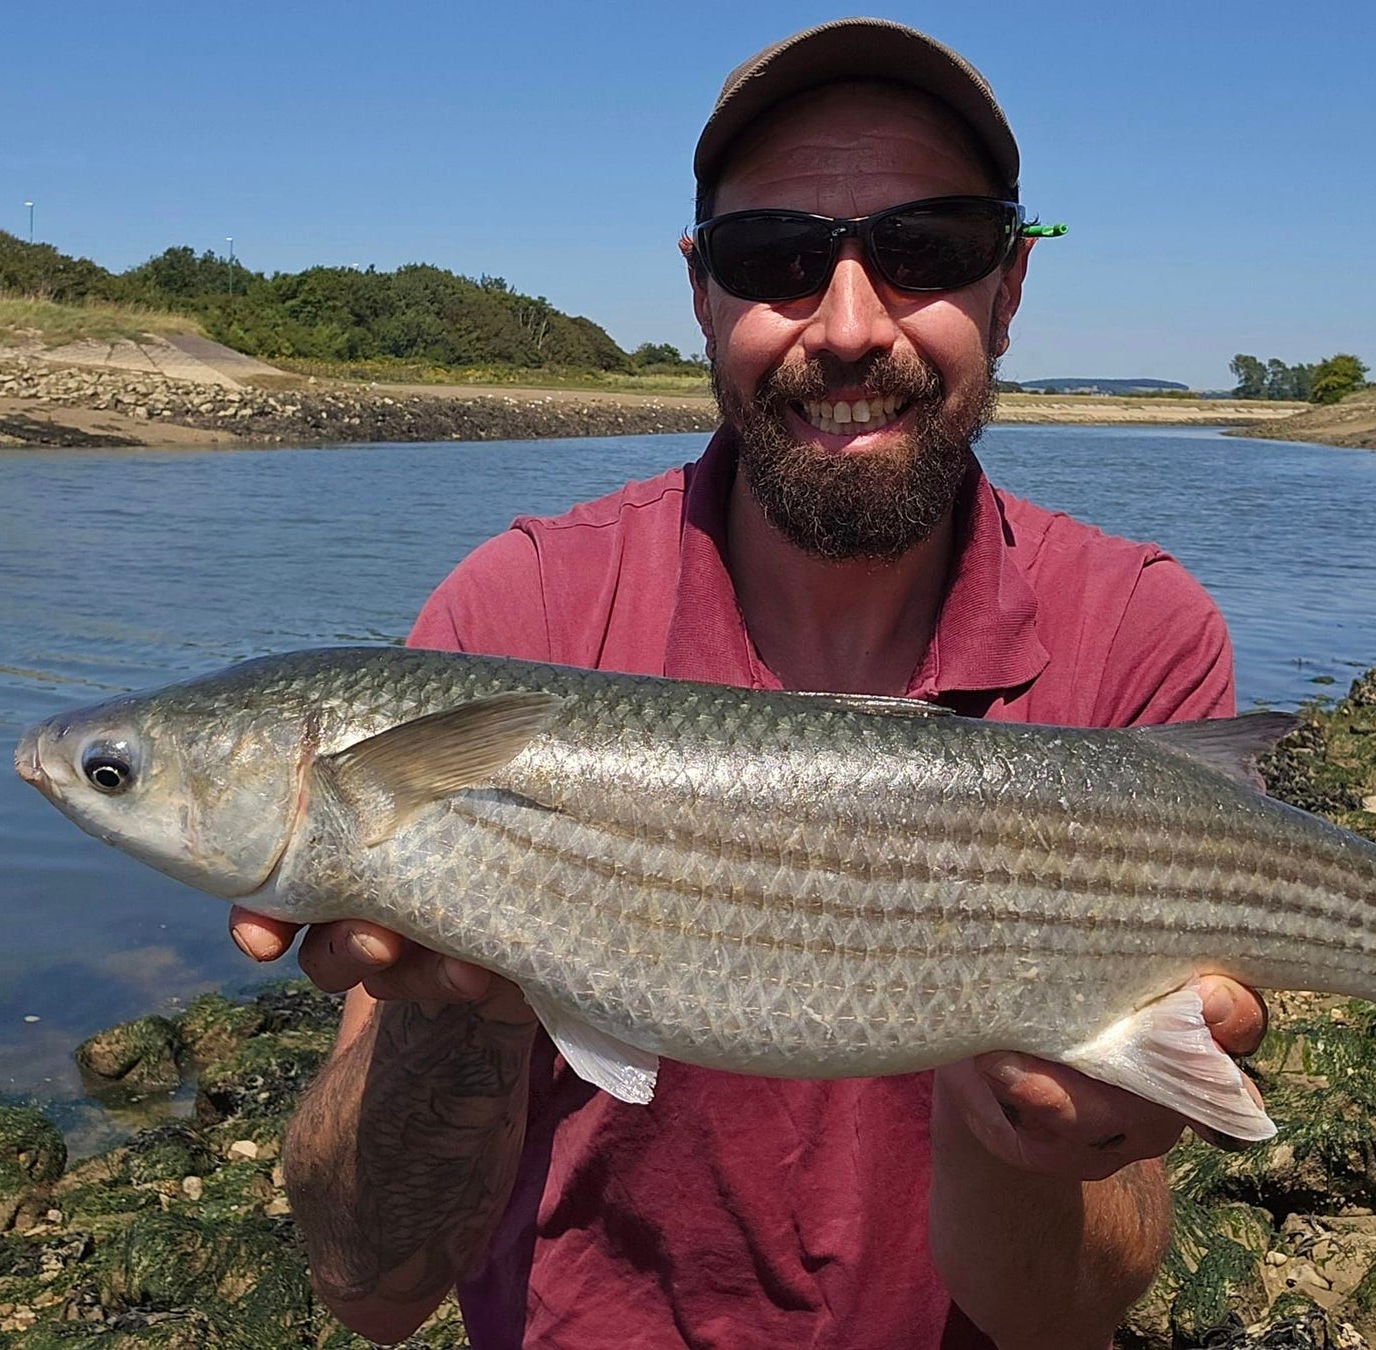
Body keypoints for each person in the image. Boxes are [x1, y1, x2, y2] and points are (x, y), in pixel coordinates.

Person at [230, 19, 1269, 1349]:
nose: (847, 326)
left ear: (1009, 287)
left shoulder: (1139, 633)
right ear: (701, 291)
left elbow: (1057, 1314)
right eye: (774, 256)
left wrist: (1027, 1098)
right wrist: (454, 1009)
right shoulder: (512, 613)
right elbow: (370, 1290)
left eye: (926, 251)